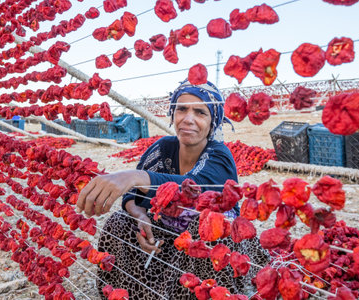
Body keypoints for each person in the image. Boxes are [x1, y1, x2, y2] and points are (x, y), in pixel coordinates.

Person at [77, 80, 268, 300]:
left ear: (212, 120)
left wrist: (134, 176)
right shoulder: (162, 148)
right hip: (165, 239)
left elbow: (196, 186)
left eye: (200, 112)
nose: (188, 119)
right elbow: (132, 195)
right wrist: (140, 217)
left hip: (207, 250)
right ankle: (121, 293)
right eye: (182, 109)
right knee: (119, 222)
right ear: (173, 113)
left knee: (211, 227)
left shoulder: (219, 155)